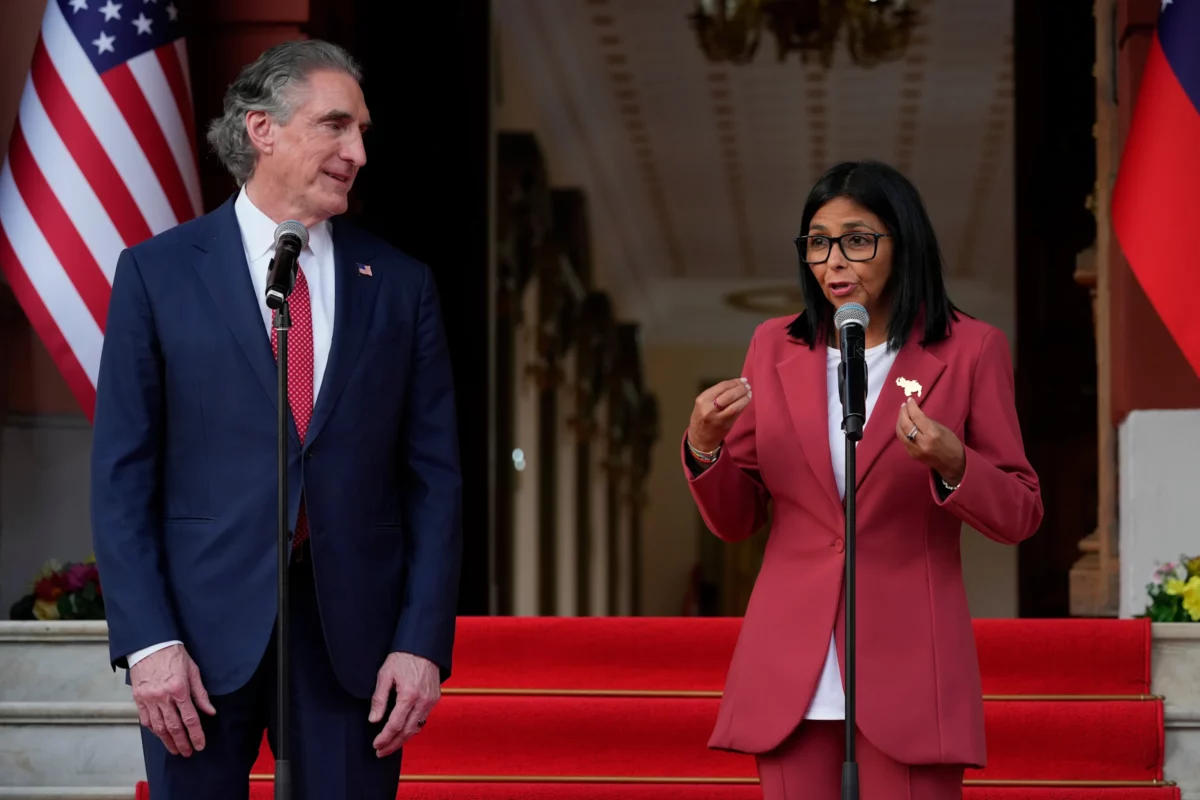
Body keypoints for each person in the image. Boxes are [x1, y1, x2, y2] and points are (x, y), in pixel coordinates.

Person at [90, 40, 462, 800]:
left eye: (361, 132)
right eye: (335, 125)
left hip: (352, 646)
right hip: (194, 644)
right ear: (262, 129)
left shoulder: (401, 285)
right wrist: (149, 641)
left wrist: (421, 643)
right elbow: (121, 476)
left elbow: (435, 483)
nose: (357, 152)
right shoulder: (157, 274)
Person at [682, 160, 1042, 798]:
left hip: (911, 661)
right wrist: (704, 448)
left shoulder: (972, 349)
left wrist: (955, 463)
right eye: (818, 242)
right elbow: (738, 520)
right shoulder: (773, 345)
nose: (834, 262)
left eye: (857, 239)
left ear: (903, 242)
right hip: (790, 665)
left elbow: (1021, 511)